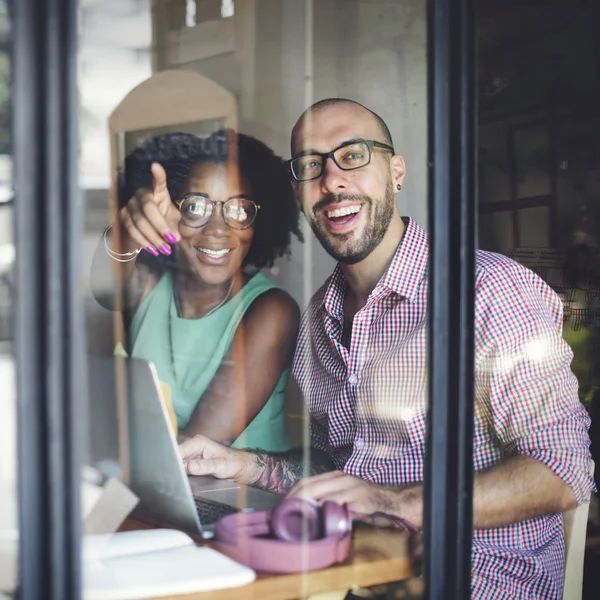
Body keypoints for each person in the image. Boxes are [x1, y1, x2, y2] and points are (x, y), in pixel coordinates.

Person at [178, 100, 594, 598]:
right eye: (312, 165)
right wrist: (240, 464)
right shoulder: (319, 317)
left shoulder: (488, 292)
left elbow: (565, 471)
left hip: (475, 580)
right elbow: (346, 471)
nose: (332, 181)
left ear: (395, 172)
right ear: (298, 191)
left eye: (353, 155)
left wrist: (398, 502)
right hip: (361, 572)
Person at [92, 129, 302, 452]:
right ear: (170, 214)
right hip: (161, 487)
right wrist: (127, 228)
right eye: (195, 207)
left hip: (242, 499)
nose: (218, 229)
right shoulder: (149, 286)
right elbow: (101, 290)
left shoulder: (272, 310)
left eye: (238, 210)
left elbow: (195, 449)